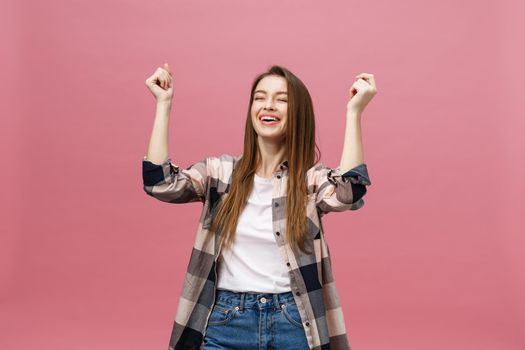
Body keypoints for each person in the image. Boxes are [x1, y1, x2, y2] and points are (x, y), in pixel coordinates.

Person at [142, 63, 377, 350]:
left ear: (298, 113)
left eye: (282, 99)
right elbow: (161, 184)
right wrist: (163, 104)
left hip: (293, 321)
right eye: (260, 97)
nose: (269, 106)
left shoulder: (309, 180)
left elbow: (350, 191)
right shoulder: (220, 173)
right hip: (226, 322)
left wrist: (354, 113)